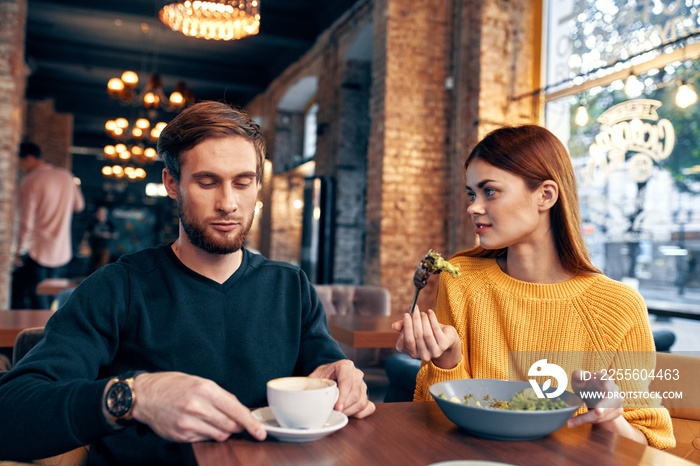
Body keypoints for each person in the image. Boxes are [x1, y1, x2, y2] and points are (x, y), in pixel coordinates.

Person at [0, 101, 375, 464]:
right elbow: (11, 410)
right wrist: (134, 396)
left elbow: (331, 377)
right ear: (172, 183)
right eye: (208, 182)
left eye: (243, 183)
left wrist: (347, 380)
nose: (228, 203)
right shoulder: (118, 287)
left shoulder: (290, 288)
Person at [392, 125, 675, 449]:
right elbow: (439, 424)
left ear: (546, 195)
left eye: (490, 191)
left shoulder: (619, 306)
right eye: (472, 193)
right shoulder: (463, 279)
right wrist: (447, 361)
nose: (473, 207)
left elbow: (650, 446)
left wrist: (611, 417)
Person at [11, 141, 85, 309]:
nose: (20, 167)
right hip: (62, 252)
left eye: (20, 162)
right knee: (55, 301)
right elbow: (79, 206)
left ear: (28, 159)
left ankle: (38, 335)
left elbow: (26, 221)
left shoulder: (30, 180)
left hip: (38, 251)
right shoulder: (66, 176)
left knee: (37, 304)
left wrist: (19, 251)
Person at [82, 205, 117, 274]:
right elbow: (86, 234)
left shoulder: (109, 224)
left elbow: (115, 235)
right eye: (99, 212)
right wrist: (84, 244)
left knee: (103, 265)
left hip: (105, 247)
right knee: (91, 265)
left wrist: (107, 235)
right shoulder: (93, 223)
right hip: (93, 247)